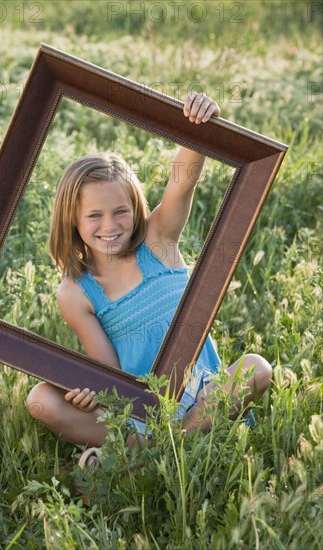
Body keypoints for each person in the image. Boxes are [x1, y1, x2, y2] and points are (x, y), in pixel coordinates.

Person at [27, 93, 272, 466]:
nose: (110, 226)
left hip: (203, 396)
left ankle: (153, 456)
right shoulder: (76, 291)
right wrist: (90, 395)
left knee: (257, 368)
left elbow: (181, 183)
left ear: (136, 209)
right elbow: (109, 376)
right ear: (72, 220)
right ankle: (155, 448)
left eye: (120, 212)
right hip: (141, 412)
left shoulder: (158, 241)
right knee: (40, 398)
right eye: (94, 215)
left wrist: (199, 126)